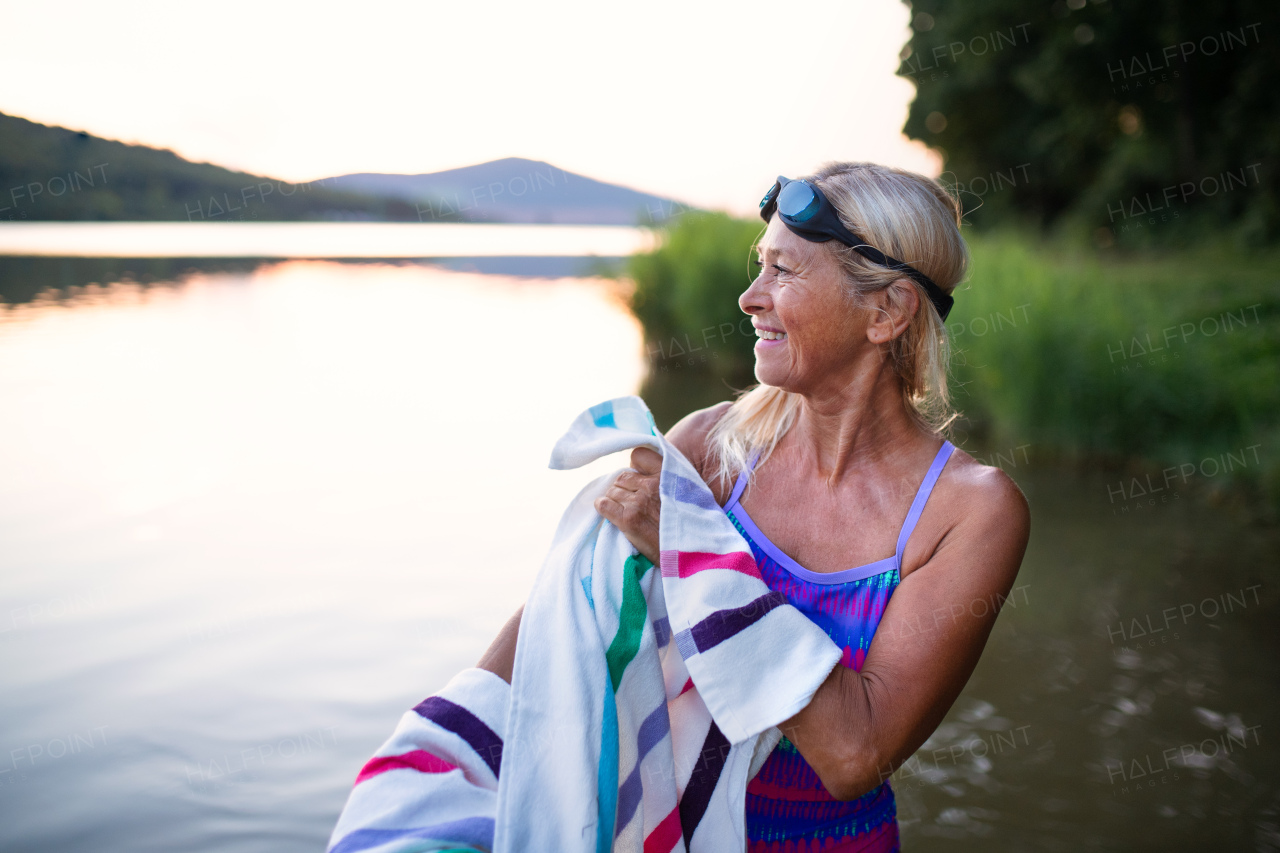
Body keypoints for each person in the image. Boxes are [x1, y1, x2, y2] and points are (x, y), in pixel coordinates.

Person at [477, 162, 1030, 851]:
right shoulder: (709, 449)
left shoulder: (968, 513)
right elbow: (552, 623)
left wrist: (693, 555)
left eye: (785, 272)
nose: (749, 296)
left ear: (886, 311)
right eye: (759, 265)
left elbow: (854, 753)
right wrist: (431, 749)